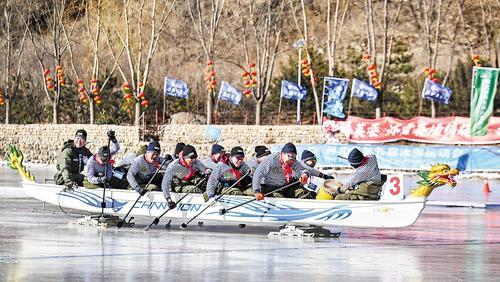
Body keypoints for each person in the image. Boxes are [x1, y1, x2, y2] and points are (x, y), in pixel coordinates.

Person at [252, 143, 324, 199]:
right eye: (290, 156)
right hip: (270, 187)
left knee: (305, 194)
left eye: (294, 157)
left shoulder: (292, 161)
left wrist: (304, 175)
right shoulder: (271, 160)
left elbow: (303, 170)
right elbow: (258, 174)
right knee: (281, 199)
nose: (292, 160)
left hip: (284, 186)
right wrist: (257, 191)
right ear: (282, 153)